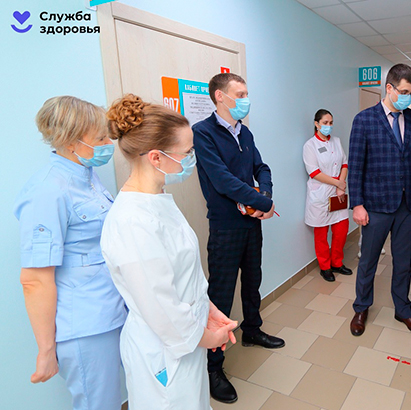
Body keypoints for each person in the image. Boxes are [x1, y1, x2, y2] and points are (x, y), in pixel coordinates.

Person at [100, 94, 237, 409]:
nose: (192, 158)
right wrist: (209, 338)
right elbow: (161, 307)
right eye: (187, 152)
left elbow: (182, 275)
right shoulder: (132, 222)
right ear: (156, 158)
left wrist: (209, 310)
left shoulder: (157, 200)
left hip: (185, 342)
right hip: (164, 352)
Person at [14, 96, 127, 410]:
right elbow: (34, 280)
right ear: (70, 141)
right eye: (100, 139)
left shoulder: (86, 176)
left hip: (111, 307)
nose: (108, 144)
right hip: (86, 324)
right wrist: (46, 350)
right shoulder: (48, 191)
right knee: (98, 404)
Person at [192, 72, 285, 403]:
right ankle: (213, 367)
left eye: (246, 94)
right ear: (220, 96)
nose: (246, 99)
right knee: (220, 293)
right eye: (240, 94)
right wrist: (263, 203)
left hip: (251, 223)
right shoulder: (202, 133)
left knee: (252, 280)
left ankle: (252, 330)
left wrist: (264, 197)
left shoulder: (244, 131)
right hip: (225, 226)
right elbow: (222, 181)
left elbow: (262, 168)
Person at [348, 63, 411, 337]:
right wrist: (357, 204)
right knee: (368, 261)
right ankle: (361, 307)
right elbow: (356, 166)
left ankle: (403, 308)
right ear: (389, 88)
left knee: (403, 262)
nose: (408, 97)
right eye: (404, 92)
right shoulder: (364, 120)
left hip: (408, 205)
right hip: (375, 206)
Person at [303, 109, 352, 282]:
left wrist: (341, 183)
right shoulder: (310, 145)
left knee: (341, 230)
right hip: (321, 194)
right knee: (321, 234)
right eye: (325, 123)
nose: (328, 126)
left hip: (338, 193)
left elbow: (344, 163)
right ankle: (325, 267)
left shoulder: (336, 141)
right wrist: (337, 183)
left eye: (331, 123)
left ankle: (337, 263)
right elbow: (314, 172)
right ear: (316, 124)